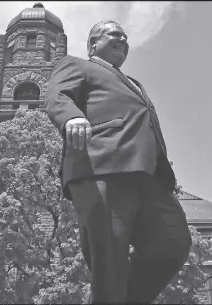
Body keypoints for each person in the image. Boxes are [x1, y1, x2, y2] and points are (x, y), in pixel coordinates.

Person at [45, 20, 192, 304]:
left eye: (125, 36)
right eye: (114, 34)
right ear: (92, 44)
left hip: (150, 178)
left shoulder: (135, 84)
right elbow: (56, 95)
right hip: (99, 164)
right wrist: (71, 117)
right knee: (109, 256)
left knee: (173, 242)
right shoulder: (76, 65)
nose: (122, 39)